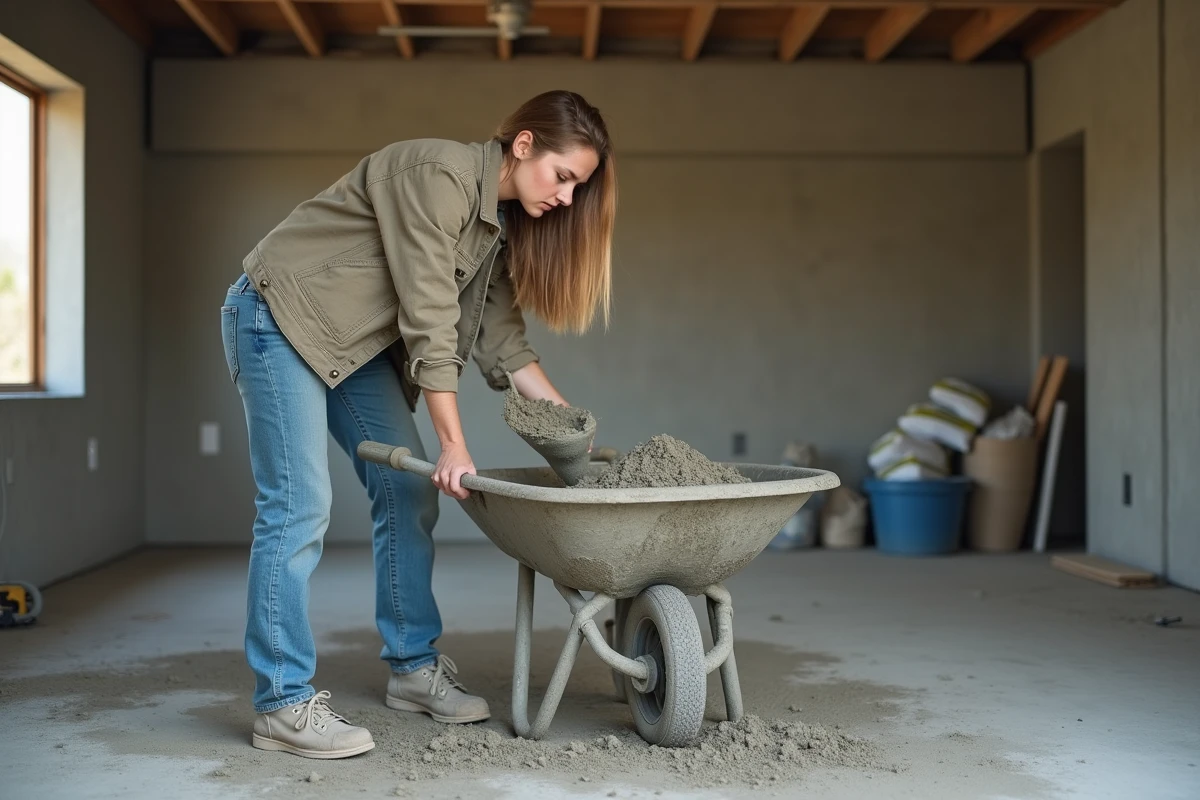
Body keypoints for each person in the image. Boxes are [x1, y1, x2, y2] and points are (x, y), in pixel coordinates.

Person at [219, 90, 616, 759]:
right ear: (524, 145)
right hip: (277, 317)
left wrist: (576, 434)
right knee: (297, 505)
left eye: (579, 185)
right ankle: (282, 703)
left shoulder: (495, 230)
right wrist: (452, 442)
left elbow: (502, 343)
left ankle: (411, 667)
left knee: (407, 491)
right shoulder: (436, 175)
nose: (568, 198)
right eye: (564, 176)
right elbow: (429, 314)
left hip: (350, 344)